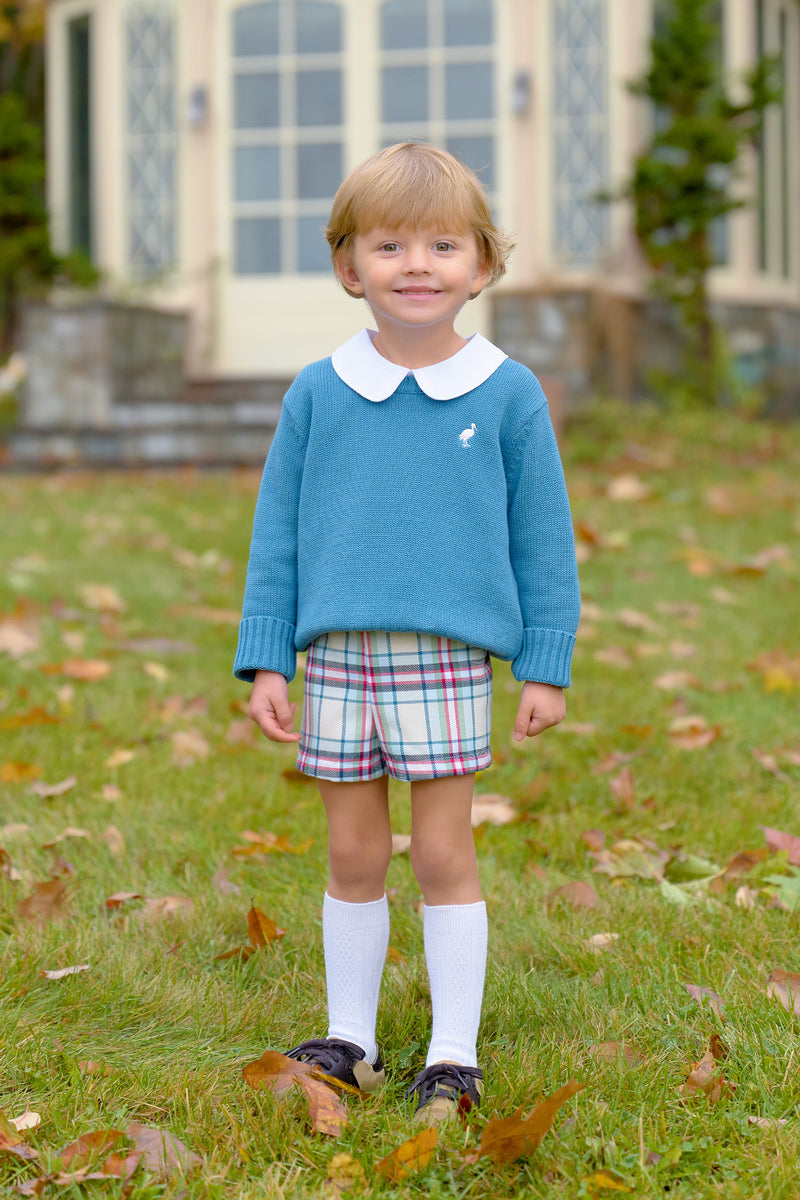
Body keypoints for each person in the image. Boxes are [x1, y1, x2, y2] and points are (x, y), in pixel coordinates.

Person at [234, 142, 580, 1125]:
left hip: (444, 661)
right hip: (338, 659)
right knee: (351, 854)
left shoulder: (506, 394)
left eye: (442, 245)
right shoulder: (318, 392)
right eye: (389, 246)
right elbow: (278, 533)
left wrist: (542, 662)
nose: (416, 265)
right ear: (350, 268)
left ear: (480, 264)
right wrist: (266, 652)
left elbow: (541, 541)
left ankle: (452, 1054)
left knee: (439, 854)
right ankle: (350, 1039)